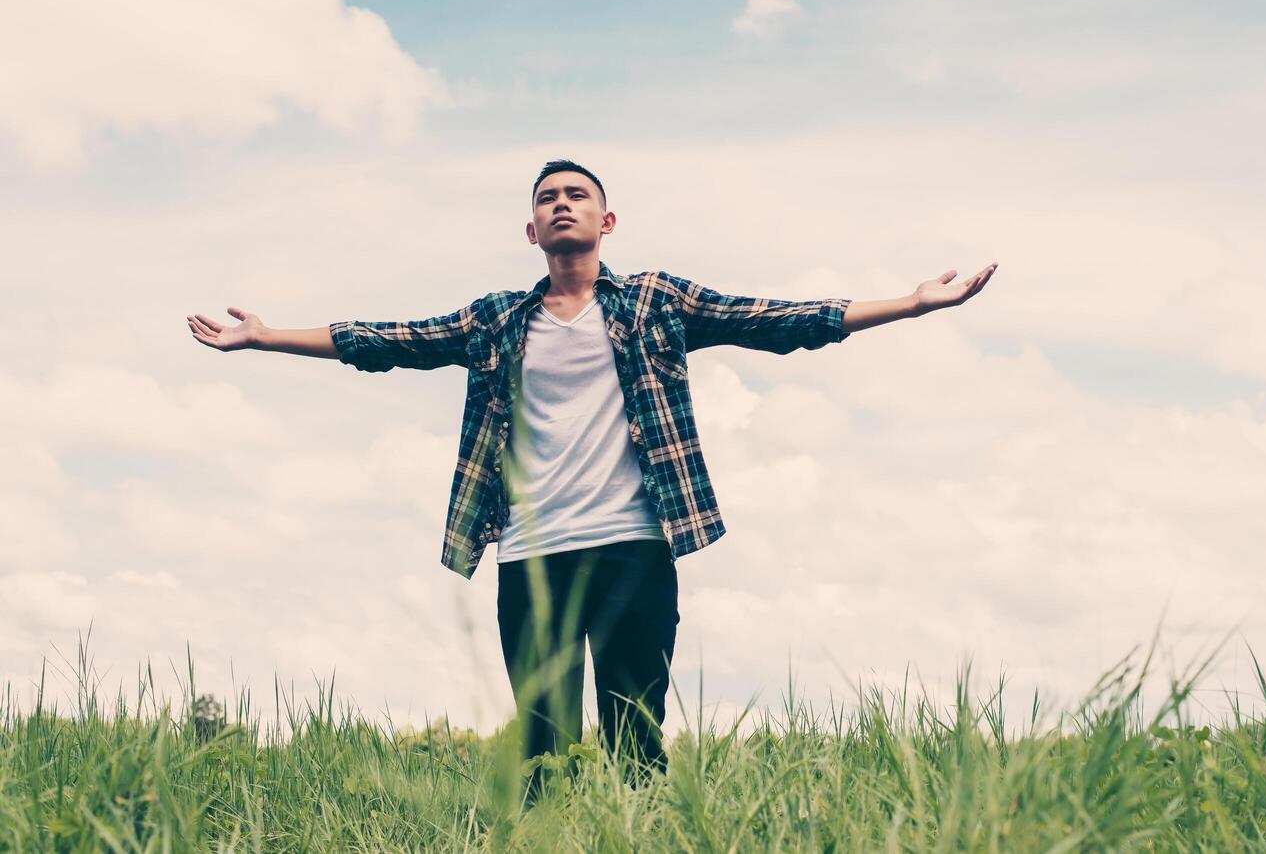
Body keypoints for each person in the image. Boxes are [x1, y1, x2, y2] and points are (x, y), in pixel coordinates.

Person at [186, 159, 997, 801]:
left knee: (634, 738)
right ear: (530, 228)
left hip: (635, 551)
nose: (561, 205)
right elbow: (384, 339)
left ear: (607, 221)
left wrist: (913, 304)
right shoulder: (496, 319)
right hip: (532, 556)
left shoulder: (654, 301)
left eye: (577, 195)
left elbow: (779, 321)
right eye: (547, 199)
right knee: (541, 746)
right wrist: (262, 339)